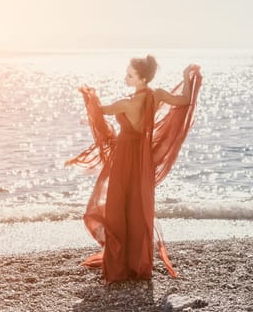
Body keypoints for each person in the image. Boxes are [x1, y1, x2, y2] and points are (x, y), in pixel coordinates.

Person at [66, 55, 202, 283]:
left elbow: (99, 111)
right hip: (143, 160)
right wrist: (185, 77)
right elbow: (185, 99)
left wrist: (89, 97)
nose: (125, 77)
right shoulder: (156, 95)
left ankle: (119, 264)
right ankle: (137, 264)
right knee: (138, 208)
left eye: (130, 75)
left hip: (123, 159)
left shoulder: (126, 103)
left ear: (142, 78)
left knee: (118, 206)